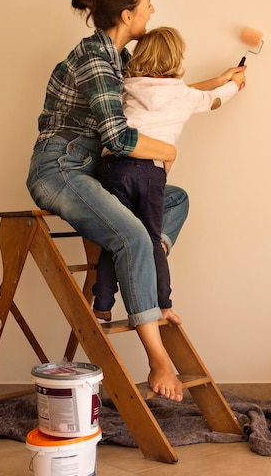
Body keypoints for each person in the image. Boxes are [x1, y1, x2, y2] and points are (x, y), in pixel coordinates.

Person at [26, 0, 246, 402]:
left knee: (175, 200)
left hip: (90, 169)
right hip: (60, 168)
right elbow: (118, 138)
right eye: (147, 3)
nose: (152, 10)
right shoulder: (95, 59)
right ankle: (157, 359)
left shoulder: (118, 58)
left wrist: (219, 82)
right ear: (127, 14)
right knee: (132, 237)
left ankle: (149, 252)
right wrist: (169, 152)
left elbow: (161, 94)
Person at [92, 26, 245, 322]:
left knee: (117, 235)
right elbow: (212, 100)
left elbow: (186, 92)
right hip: (150, 173)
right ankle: (163, 305)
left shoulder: (127, 85)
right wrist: (233, 85)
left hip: (113, 167)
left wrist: (221, 77)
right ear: (177, 60)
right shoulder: (183, 95)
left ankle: (102, 303)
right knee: (150, 238)